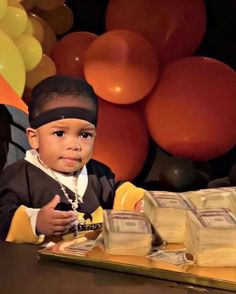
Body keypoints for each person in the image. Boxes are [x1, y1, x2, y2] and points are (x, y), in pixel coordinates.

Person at [0, 75, 144, 244]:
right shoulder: (18, 177)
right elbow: (3, 217)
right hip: (40, 267)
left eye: (84, 135)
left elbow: (118, 192)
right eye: (60, 133)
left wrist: (138, 202)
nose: (74, 145)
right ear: (34, 138)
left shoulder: (97, 174)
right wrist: (36, 222)